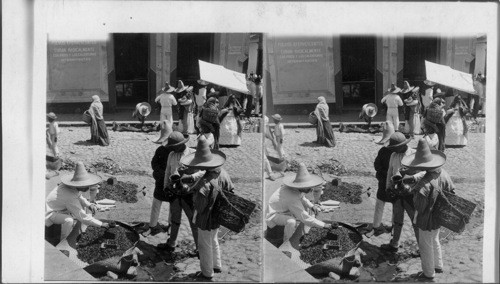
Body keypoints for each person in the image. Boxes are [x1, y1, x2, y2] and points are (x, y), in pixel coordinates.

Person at [179, 135, 232, 280]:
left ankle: (207, 272)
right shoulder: (223, 173)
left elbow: (200, 206)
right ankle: (217, 264)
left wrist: (190, 192)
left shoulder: (205, 183)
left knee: (204, 245)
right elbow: (231, 190)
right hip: (218, 214)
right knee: (214, 240)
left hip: (206, 218)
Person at [401, 138, 453, 280]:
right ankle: (438, 265)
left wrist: (411, 191)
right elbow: (452, 191)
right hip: (439, 216)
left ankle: (429, 273)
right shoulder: (443, 173)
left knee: (425, 245)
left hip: (426, 219)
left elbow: (419, 207)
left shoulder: (423, 185)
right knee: (435, 239)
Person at [156, 132, 206, 253]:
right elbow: (168, 172)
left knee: (193, 221)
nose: (172, 149)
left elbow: (204, 171)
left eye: (174, 146)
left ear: (181, 145)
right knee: (174, 219)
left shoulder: (193, 154)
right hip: (174, 192)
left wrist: (191, 177)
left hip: (189, 192)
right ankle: (172, 243)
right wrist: (165, 187)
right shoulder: (171, 155)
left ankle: (199, 248)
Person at [266, 163, 336, 244]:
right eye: (308, 187)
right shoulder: (292, 197)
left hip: (283, 208)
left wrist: (312, 206)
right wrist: (324, 225)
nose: (310, 189)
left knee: (300, 211)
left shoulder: (296, 189)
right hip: (273, 214)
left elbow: (302, 198)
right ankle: (286, 242)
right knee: (291, 221)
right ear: (301, 186)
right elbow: (305, 218)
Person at [45, 162, 111, 245]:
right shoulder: (69, 196)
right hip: (49, 213)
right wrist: (101, 224)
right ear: (78, 185)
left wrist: (89, 205)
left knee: (77, 209)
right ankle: (63, 242)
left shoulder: (72, 188)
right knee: (69, 220)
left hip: (58, 208)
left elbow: (79, 197)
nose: (87, 188)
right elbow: (83, 217)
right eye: (84, 186)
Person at [380, 133, 419, 253]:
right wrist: (388, 187)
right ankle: (394, 243)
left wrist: (410, 182)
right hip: (396, 192)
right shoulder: (393, 155)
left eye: (396, 147)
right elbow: (390, 172)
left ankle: (422, 247)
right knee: (397, 219)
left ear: (403, 145)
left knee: (415, 221)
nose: (395, 150)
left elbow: (421, 173)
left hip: (410, 193)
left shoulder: (413, 155)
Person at [367, 132, 402, 238]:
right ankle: (379, 226)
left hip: (394, 183)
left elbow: (377, 165)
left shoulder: (399, 154)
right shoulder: (385, 151)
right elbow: (377, 165)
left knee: (392, 207)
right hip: (384, 182)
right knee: (382, 205)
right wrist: (385, 175)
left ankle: (389, 227)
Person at [146, 123, 174, 236]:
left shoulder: (161, 150)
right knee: (169, 205)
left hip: (166, 180)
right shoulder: (171, 151)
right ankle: (165, 226)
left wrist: (157, 173)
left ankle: (154, 225)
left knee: (158, 204)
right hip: (166, 181)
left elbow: (154, 163)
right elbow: (154, 163)